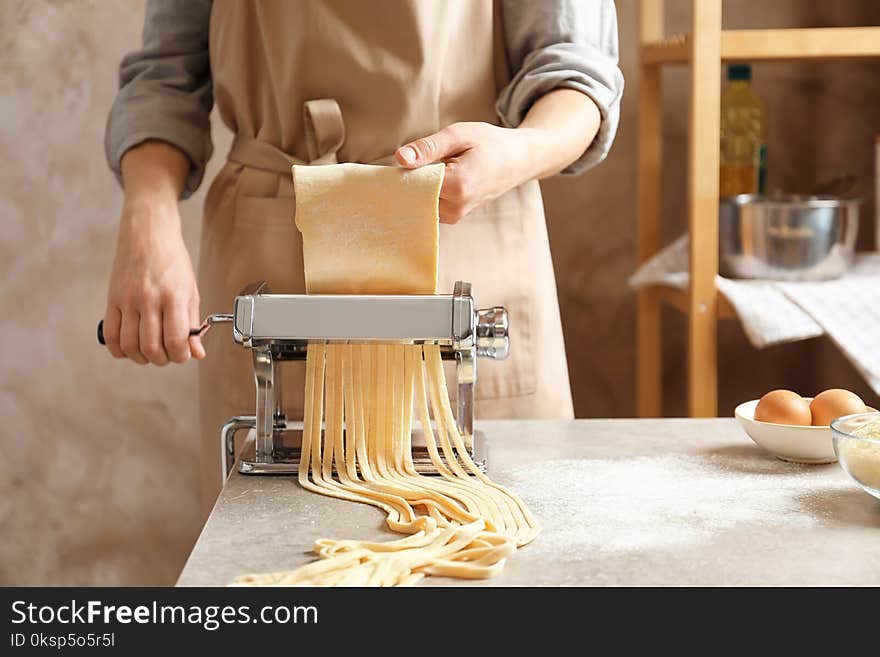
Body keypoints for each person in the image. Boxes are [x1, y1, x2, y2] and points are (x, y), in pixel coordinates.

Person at [103, 0, 624, 512]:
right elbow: (166, 74)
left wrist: (517, 152)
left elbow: (574, 70)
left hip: (466, 233)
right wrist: (146, 218)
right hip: (271, 254)